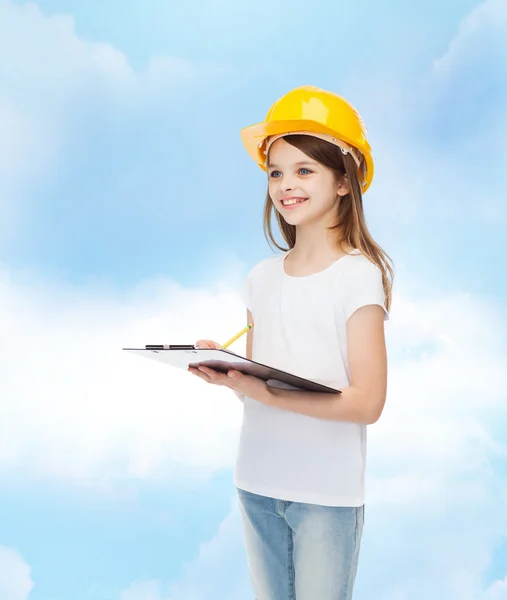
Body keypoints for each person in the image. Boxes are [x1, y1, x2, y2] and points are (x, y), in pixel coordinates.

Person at [188, 85, 393, 600]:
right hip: (257, 481)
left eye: (305, 170)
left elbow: (367, 403)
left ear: (344, 181)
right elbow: (259, 385)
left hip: (325, 494)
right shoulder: (261, 277)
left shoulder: (358, 277)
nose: (285, 185)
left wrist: (268, 394)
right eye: (276, 172)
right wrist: (228, 371)